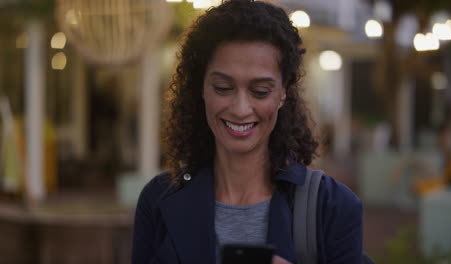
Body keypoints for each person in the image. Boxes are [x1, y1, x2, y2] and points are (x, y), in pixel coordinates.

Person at [132, 0, 363, 263]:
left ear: (283, 93)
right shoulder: (159, 199)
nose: (241, 109)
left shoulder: (332, 206)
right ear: (201, 89)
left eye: (260, 91)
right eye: (223, 87)